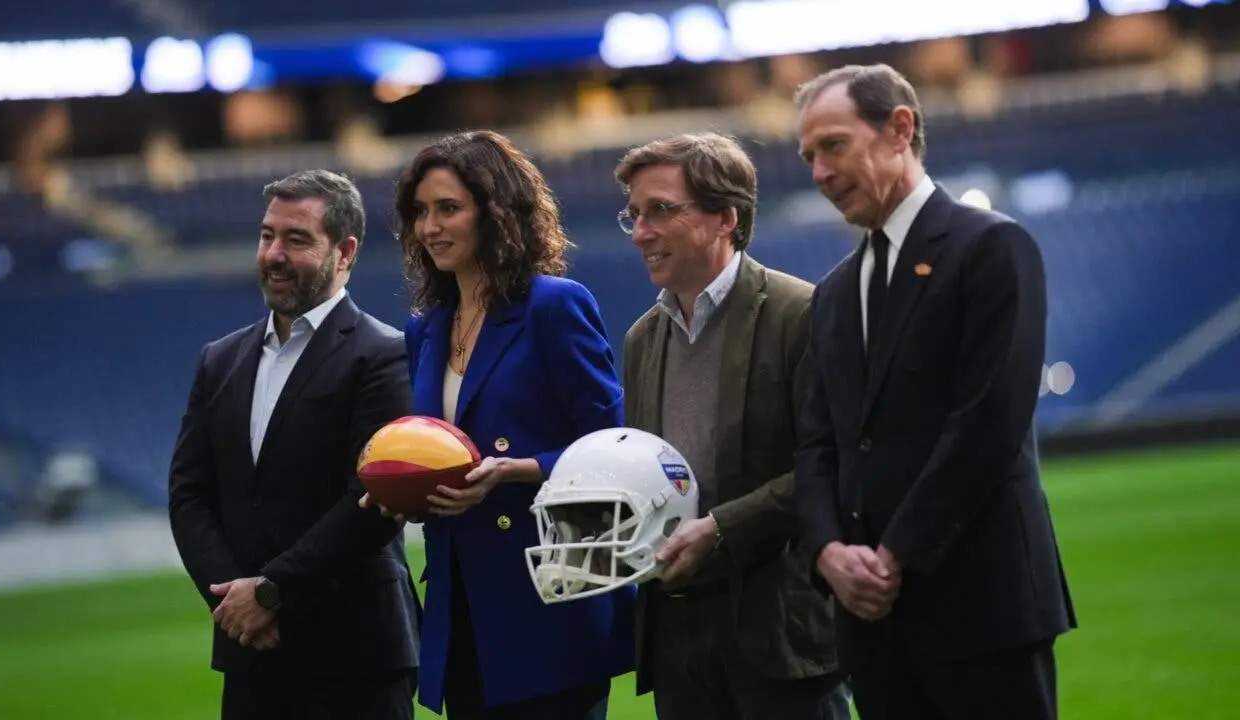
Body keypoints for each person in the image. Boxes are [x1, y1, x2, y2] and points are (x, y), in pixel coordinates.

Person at [792, 63, 1078, 720]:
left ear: (899, 129)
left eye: (833, 145)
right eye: (809, 156)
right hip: (872, 628)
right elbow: (817, 441)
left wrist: (894, 557)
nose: (818, 173)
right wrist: (828, 552)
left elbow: (990, 422)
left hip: (983, 608)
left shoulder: (993, 247)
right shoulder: (835, 293)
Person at [365, 129, 632, 720]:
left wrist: (520, 470)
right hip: (461, 609)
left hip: (548, 602)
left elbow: (614, 449)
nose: (428, 227)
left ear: (496, 214)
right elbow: (440, 450)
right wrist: (404, 491)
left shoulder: (554, 305)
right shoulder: (426, 328)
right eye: (419, 213)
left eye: (448, 209)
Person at [612, 132, 851, 720]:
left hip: (778, 629)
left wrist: (719, 528)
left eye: (661, 211)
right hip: (675, 634)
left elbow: (834, 466)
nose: (642, 232)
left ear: (726, 217)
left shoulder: (802, 312)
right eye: (634, 215)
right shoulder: (643, 339)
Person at [168, 169, 421, 720]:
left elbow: (375, 501)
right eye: (267, 236)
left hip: (357, 653)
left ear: (345, 251)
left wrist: (272, 592)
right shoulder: (219, 360)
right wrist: (232, 602)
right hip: (252, 651)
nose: (274, 254)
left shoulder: (383, 355)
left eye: (297, 239)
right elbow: (189, 494)